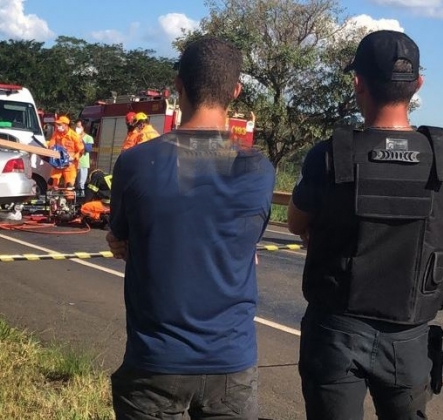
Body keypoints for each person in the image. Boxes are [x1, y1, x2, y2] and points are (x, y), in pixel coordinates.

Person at [105, 36, 275, 419]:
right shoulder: (259, 170)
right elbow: (246, 243)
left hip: (155, 363)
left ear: (178, 85)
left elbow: (121, 236)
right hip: (232, 365)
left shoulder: (135, 163)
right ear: (236, 90)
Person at [287, 30, 441, 420]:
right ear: (418, 84)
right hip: (410, 337)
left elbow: (294, 222)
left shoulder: (330, 154)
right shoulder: (440, 157)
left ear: (358, 82)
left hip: (335, 331)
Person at [47, 115, 84, 189]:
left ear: (66, 125)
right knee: (53, 182)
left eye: (60, 125)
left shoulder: (74, 136)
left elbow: (81, 150)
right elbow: (52, 143)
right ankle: (52, 196)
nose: (57, 126)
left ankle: (69, 198)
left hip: (70, 163)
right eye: (57, 124)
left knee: (69, 184)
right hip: (58, 162)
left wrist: (74, 157)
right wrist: (51, 149)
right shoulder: (56, 133)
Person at [75, 120, 94, 197]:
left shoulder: (88, 138)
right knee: (75, 183)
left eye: (79, 127)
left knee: (81, 183)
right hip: (75, 164)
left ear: (83, 128)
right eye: (76, 127)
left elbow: (89, 149)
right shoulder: (74, 137)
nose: (77, 128)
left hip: (83, 164)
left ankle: (81, 197)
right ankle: (75, 197)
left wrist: (81, 140)